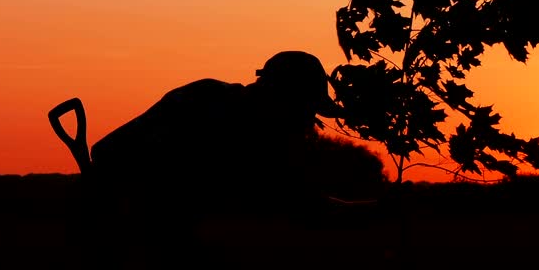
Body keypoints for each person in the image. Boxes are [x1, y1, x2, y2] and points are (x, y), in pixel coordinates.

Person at [48, 50, 337, 214]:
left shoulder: (263, 139)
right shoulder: (207, 103)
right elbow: (108, 151)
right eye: (305, 109)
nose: (307, 122)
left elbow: (301, 202)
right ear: (279, 96)